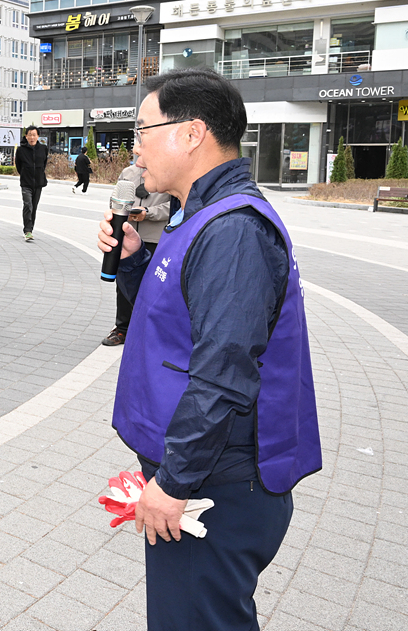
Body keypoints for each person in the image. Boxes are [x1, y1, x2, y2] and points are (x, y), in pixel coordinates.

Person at [96, 69, 321, 629]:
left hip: (212, 483)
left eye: (143, 130)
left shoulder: (231, 230)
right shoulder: (197, 214)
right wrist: (133, 259)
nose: (136, 149)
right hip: (206, 470)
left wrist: (173, 482)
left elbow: (224, 372)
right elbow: (183, 311)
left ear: (191, 134)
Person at [102, 161, 171, 347]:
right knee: (124, 284)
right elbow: (114, 199)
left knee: (154, 283)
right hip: (127, 234)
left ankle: (149, 330)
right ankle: (122, 328)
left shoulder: (167, 171)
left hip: (156, 237)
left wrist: (148, 212)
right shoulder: (128, 172)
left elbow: (173, 206)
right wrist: (123, 211)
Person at [16, 126, 48, 242]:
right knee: (28, 205)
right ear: (26, 136)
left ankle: (30, 229)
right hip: (26, 182)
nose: (32, 137)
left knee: (34, 207)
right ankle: (27, 230)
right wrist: (25, 174)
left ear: (38, 136)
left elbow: (43, 164)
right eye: (29, 135)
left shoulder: (43, 148)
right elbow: (18, 166)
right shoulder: (21, 150)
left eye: (34, 135)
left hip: (38, 183)